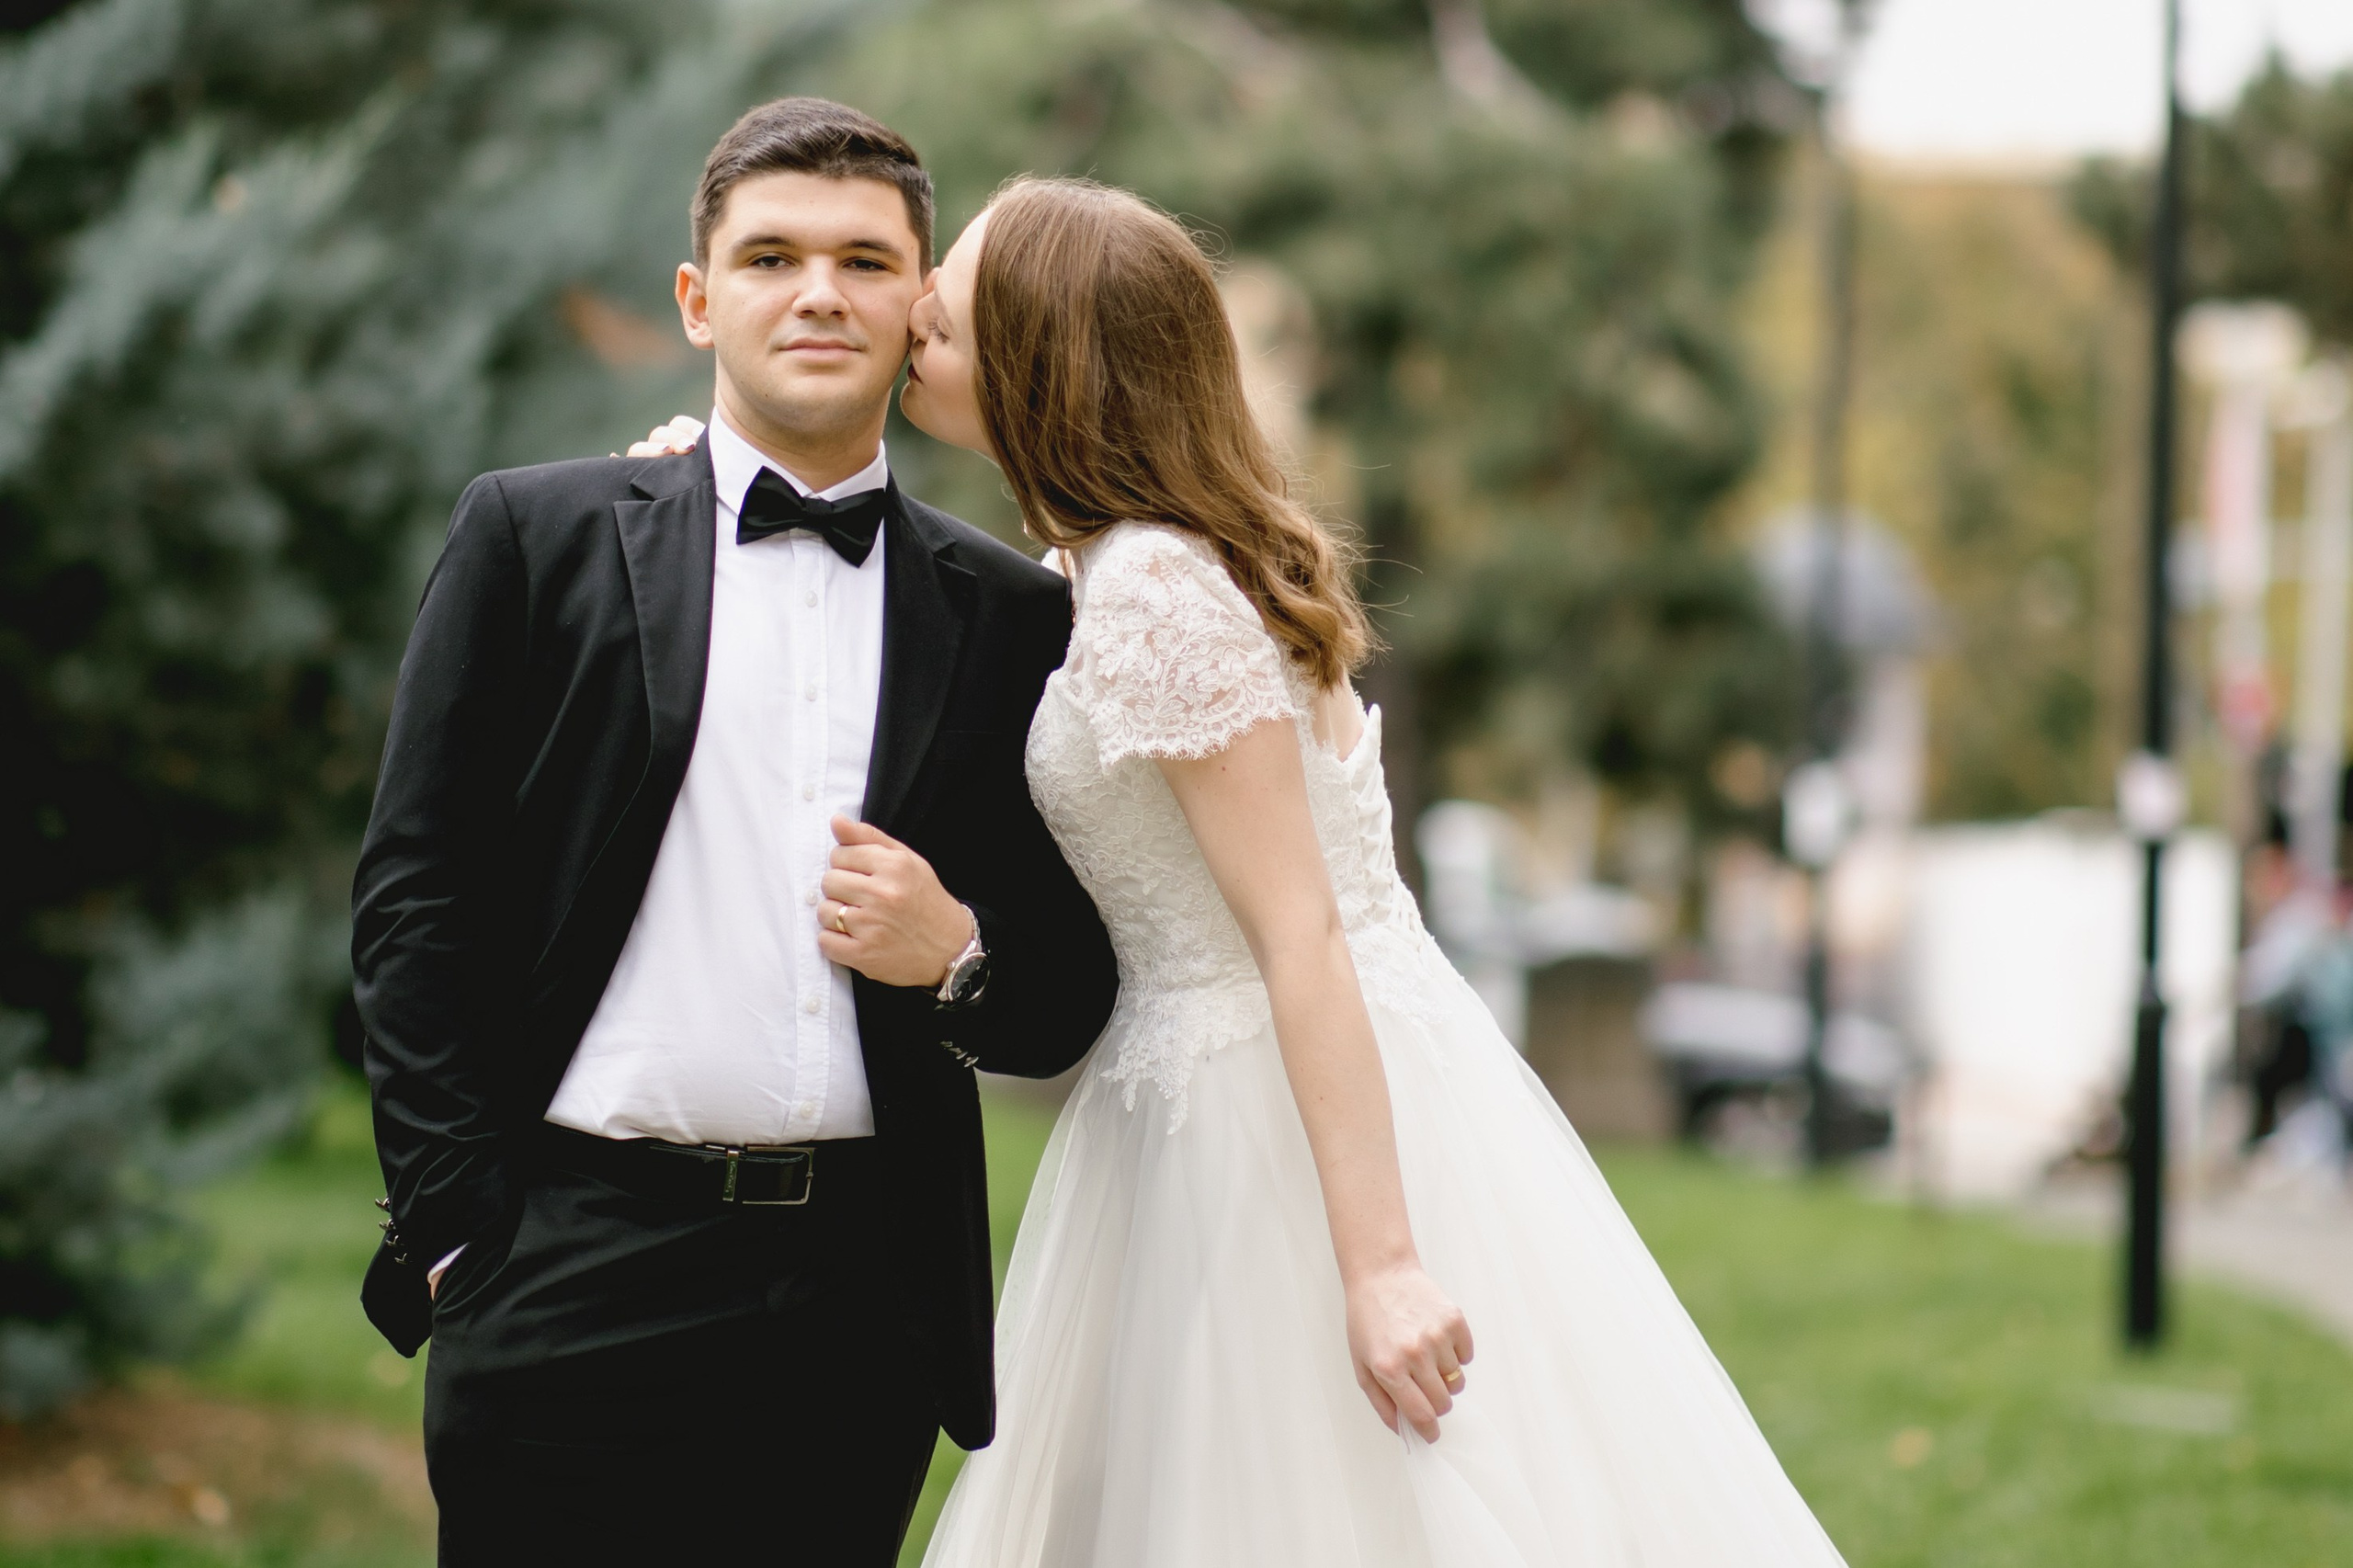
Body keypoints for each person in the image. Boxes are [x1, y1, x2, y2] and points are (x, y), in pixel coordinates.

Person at [635, 175, 1847, 1562]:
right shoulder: (1107, 567)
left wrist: (1380, 1263)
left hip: (1264, 1109)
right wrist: (707, 489)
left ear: (1044, 363)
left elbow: (1303, 934)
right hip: (1188, 1094)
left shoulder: (1155, 589)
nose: (910, 328)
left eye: (948, 318)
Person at [349, 101, 1117, 1564]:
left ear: (919, 303)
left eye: (862, 261)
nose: (818, 291)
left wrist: (958, 951)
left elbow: (1073, 985)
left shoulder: (1015, 615)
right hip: (566, 1262)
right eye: (769, 256)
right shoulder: (534, 539)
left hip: (859, 1300)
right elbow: (413, 899)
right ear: (700, 300)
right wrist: (463, 1239)